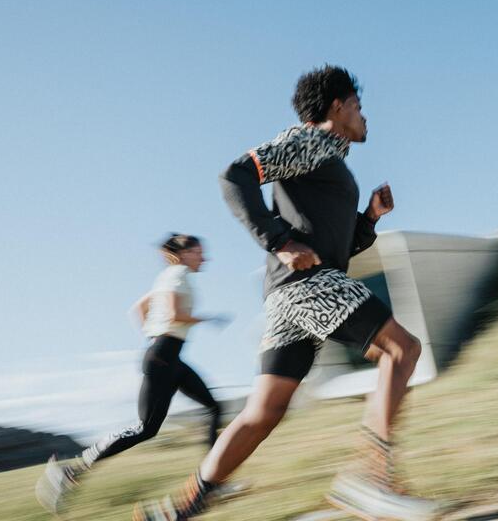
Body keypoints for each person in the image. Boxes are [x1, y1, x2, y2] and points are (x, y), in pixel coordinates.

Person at [134, 65, 438, 520]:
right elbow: (234, 176)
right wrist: (277, 239)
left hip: (288, 294)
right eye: (358, 105)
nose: (364, 115)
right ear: (337, 106)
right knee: (403, 349)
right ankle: (370, 478)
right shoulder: (308, 141)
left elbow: (334, 247)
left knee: (264, 412)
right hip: (307, 287)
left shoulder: (331, 162)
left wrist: (370, 218)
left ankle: (181, 507)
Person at [36, 234, 231, 514]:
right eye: (199, 252)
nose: (204, 258)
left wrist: (153, 337)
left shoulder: (167, 276)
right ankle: (71, 471)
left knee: (213, 407)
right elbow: (176, 314)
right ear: (185, 253)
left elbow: (138, 308)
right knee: (146, 428)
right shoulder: (178, 275)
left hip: (167, 356)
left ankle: (214, 480)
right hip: (163, 357)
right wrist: (208, 318)